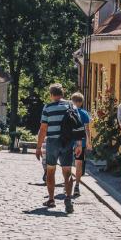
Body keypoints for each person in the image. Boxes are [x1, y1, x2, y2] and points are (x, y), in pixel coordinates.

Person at [36, 84, 81, 213]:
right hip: (68, 142)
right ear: (62, 93)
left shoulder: (48, 108)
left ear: (51, 95)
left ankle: (51, 199)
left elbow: (43, 129)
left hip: (52, 142)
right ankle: (68, 198)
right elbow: (77, 126)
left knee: (50, 170)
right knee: (67, 171)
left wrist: (38, 147)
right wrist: (78, 144)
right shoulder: (71, 106)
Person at [70, 92, 92, 198]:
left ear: (72, 101)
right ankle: (77, 185)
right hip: (81, 141)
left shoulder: (68, 112)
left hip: (69, 142)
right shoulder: (84, 113)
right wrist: (88, 142)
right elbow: (87, 129)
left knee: (68, 163)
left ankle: (68, 182)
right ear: (82, 102)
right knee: (79, 164)